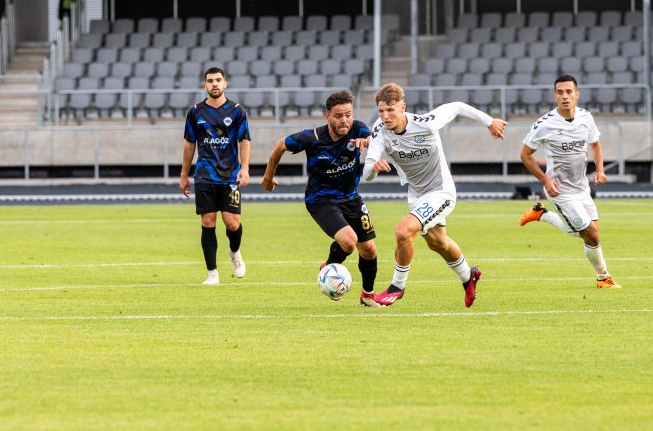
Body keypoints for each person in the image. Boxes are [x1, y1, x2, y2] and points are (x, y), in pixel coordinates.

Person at [362, 83, 507, 307]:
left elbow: (457, 106)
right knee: (438, 243)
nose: (385, 116)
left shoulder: (426, 123)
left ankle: (397, 287)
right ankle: (469, 276)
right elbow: (367, 174)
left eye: (391, 110)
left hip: (441, 191)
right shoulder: (379, 130)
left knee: (403, 231)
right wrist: (374, 168)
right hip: (417, 195)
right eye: (381, 111)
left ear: (403, 107)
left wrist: (489, 122)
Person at [261, 91, 382, 306]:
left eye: (348, 114)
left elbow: (370, 136)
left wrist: (369, 141)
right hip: (321, 200)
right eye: (338, 116)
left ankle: (368, 295)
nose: (344, 120)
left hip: (351, 198)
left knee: (369, 250)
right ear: (327, 116)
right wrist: (268, 177)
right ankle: (329, 268)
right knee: (348, 241)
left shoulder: (357, 128)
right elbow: (280, 146)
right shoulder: (312, 138)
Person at [518, 74, 620, 289]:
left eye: (569, 92)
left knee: (589, 233)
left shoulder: (586, 118)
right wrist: (545, 180)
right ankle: (603, 278)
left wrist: (600, 170)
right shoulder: (544, 125)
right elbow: (525, 155)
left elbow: (595, 144)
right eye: (560, 92)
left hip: (582, 187)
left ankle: (542, 215)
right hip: (560, 190)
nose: (565, 96)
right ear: (555, 96)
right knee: (590, 233)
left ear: (577, 94)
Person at [180, 67, 250, 285]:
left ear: (225, 83)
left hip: (229, 176)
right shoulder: (195, 112)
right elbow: (189, 144)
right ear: (205, 86)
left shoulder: (237, 111)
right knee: (208, 221)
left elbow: (244, 141)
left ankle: (234, 253)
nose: (214, 84)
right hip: (204, 175)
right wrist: (184, 175)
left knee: (232, 224)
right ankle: (212, 274)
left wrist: (245, 168)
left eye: (218, 80)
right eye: (210, 81)